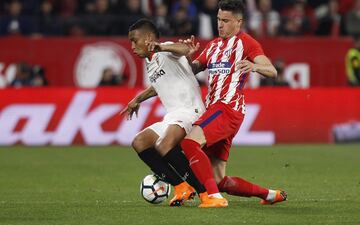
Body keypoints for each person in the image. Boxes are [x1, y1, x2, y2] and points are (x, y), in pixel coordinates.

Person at [180, 0, 287, 208]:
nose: (220, 24)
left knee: (189, 143)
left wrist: (254, 66)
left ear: (239, 22)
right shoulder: (213, 46)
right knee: (219, 179)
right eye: (219, 19)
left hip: (227, 108)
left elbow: (272, 70)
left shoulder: (247, 43)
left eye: (226, 21)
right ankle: (271, 194)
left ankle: (214, 198)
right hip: (217, 111)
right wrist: (186, 57)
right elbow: (192, 70)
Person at [121, 19, 207, 206]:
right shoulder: (149, 63)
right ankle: (181, 187)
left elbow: (183, 51)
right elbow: (157, 86)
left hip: (190, 110)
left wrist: (160, 47)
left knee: (163, 144)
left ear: (149, 38)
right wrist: (137, 99)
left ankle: (204, 192)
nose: (132, 46)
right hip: (173, 116)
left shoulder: (166, 50)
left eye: (135, 40)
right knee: (140, 142)